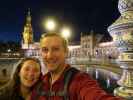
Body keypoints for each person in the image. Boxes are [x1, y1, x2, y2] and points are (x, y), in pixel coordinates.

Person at [31, 33, 123, 100]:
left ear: (66, 52)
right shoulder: (40, 83)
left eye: (56, 49)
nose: (50, 55)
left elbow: (95, 95)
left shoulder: (79, 80)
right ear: (40, 53)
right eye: (45, 50)